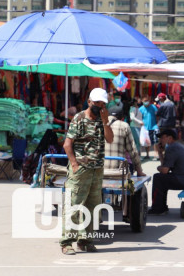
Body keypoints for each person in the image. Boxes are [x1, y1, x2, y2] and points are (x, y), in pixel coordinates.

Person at [60, 88, 114, 255]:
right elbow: (67, 144)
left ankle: (85, 240)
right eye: (97, 102)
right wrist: (74, 164)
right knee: (74, 205)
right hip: (81, 169)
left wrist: (105, 122)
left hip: (96, 170)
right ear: (89, 101)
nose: (99, 106)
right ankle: (67, 242)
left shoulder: (102, 120)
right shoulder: (79, 118)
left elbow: (110, 139)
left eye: (102, 103)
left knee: (92, 206)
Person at [148, 129, 184, 215]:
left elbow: (164, 170)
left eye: (162, 138)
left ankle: (158, 208)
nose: (160, 140)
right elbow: (165, 167)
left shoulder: (172, 148)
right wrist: (160, 153)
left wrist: (158, 168)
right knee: (162, 178)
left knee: (158, 178)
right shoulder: (177, 146)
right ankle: (162, 207)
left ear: (170, 138)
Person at [105, 106, 145, 176]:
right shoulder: (124, 126)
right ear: (122, 118)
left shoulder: (99, 124)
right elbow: (133, 151)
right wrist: (139, 170)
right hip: (119, 172)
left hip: (100, 171)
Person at [139, 96, 159, 160]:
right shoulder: (141, 109)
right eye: (145, 101)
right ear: (142, 101)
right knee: (146, 142)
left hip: (154, 126)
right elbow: (139, 118)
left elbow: (157, 115)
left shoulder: (153, 107)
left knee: (155, 141)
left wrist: (157, 123)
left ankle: (156, 154)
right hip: (145, 127)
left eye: (147, 100)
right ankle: (147, 155)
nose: (146, 102)